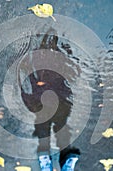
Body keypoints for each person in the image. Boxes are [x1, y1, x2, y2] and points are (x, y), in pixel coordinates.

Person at [20, 29, 81, 171]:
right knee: (46, 125)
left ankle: (50, 157)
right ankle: (54, 158)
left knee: (59, 125)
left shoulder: (57, 60)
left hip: (56, 98)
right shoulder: (38, 61)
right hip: (47, 98)